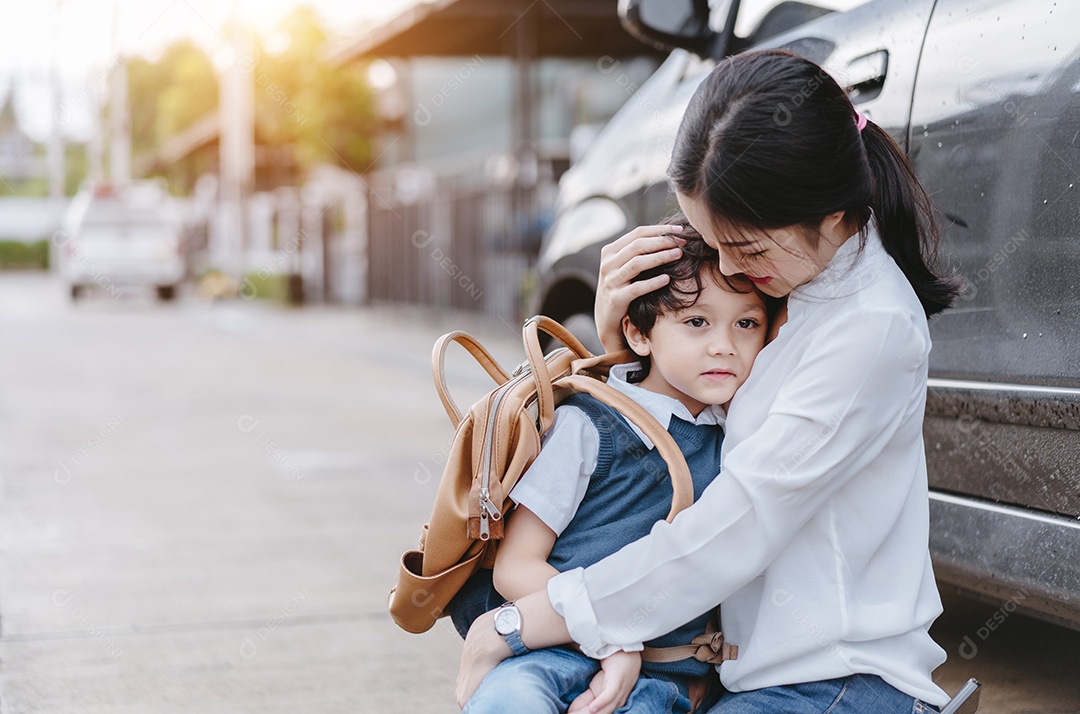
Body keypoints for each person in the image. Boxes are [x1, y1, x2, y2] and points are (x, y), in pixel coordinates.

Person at [457, 49, 959, 714]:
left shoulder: (869, 329)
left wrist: (519, 624)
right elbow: (683, 438)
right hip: (757, 678)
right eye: (708, 239)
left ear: (835, 213)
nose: (728, 268)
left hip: (837, 683)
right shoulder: (796, 290)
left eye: (746, 249)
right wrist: (624, 341)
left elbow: (732, 529)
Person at [461, 228, 769, 714]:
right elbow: (515, 566)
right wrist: (607, 638)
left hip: (664, 677)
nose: (724, 346)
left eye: (746, 324)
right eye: (696, 322)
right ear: (637, 333)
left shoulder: (741, 435)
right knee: (511, 701)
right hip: (552, 651)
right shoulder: (592, 425)